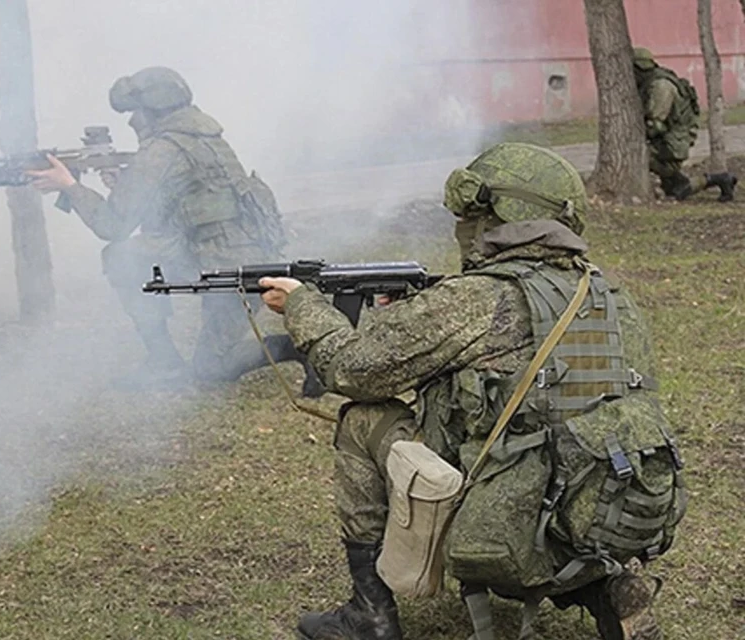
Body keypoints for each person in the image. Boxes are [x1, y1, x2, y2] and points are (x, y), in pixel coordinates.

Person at [260, 143, 684, 640]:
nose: (463, 226)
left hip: (512, 524)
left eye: (471, 215)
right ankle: (606, 586)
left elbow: (353, 369)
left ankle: (368, 614)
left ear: (496, 216)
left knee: (361, 419)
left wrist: (302, 306)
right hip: (598, 515)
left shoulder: (479, 297)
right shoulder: (608, 293)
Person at [27, 67, 317, 391]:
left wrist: (68, 185)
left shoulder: (162, 150)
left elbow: (111, 224)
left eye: (135, 112)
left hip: (229, 263)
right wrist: (127, 185)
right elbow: (186, 207)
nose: (131, 121)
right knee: (131, 257)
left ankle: (302, 351)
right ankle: (163, 363)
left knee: (211, 366)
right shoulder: (199, 134)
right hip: (233, 250)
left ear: (153, 110)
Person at [633, 46, 737, 202]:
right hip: (669, 139)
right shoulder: (653, 82)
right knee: (675, 187)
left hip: (671, 144)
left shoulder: (661, 86)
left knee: (639, 157)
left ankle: (720, 179)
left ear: (638, 68)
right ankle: (722, 179)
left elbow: (654, 124)